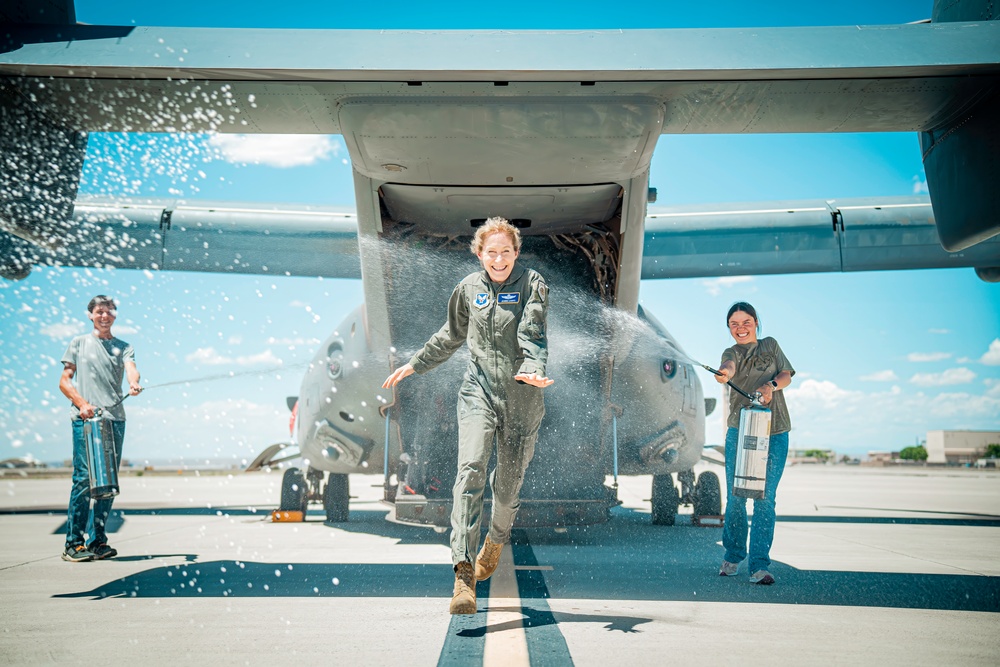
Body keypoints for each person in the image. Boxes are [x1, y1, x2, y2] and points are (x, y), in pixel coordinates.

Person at [382, 217, 553, 614]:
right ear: (479, 254)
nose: (498, 259)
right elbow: (450, 335)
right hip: (478, 390)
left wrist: (535, 367)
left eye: (505, 252)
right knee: (471, 470)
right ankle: (462, 574)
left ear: (517, 253)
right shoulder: (468, 289)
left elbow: (533, 331)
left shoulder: (533, 284)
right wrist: (416, 363)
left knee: (507, 488)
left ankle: (496, 538)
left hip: (524, 394)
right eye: (490, 252)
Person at [713, 301, 794, 585]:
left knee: (765, 499)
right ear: (729, 328)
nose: (741, 328)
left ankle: (759, 566)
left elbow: (786, 375)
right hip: (741, 430)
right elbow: (729, 367)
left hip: (776, 432)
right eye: (734, 324)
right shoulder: (731, 352)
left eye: (746, 322)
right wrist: (725, 373)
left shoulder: (770, 345)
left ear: (756, 322)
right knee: (736, 497)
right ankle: (733, 555)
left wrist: (769, 386)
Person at [58, 295, 142, 562]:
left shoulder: (124, 346)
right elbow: (64, 382)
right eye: (99, 312)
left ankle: (98, 541)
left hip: (115, 419)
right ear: (90, 315)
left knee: (107, 483)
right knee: (84, 479)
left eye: (109, 312)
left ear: (115, 315)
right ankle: (73, 543)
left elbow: (132, 369)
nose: (104, 316)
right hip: (86, 419)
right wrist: (82, 403)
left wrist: (134, 383)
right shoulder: (79, 343)